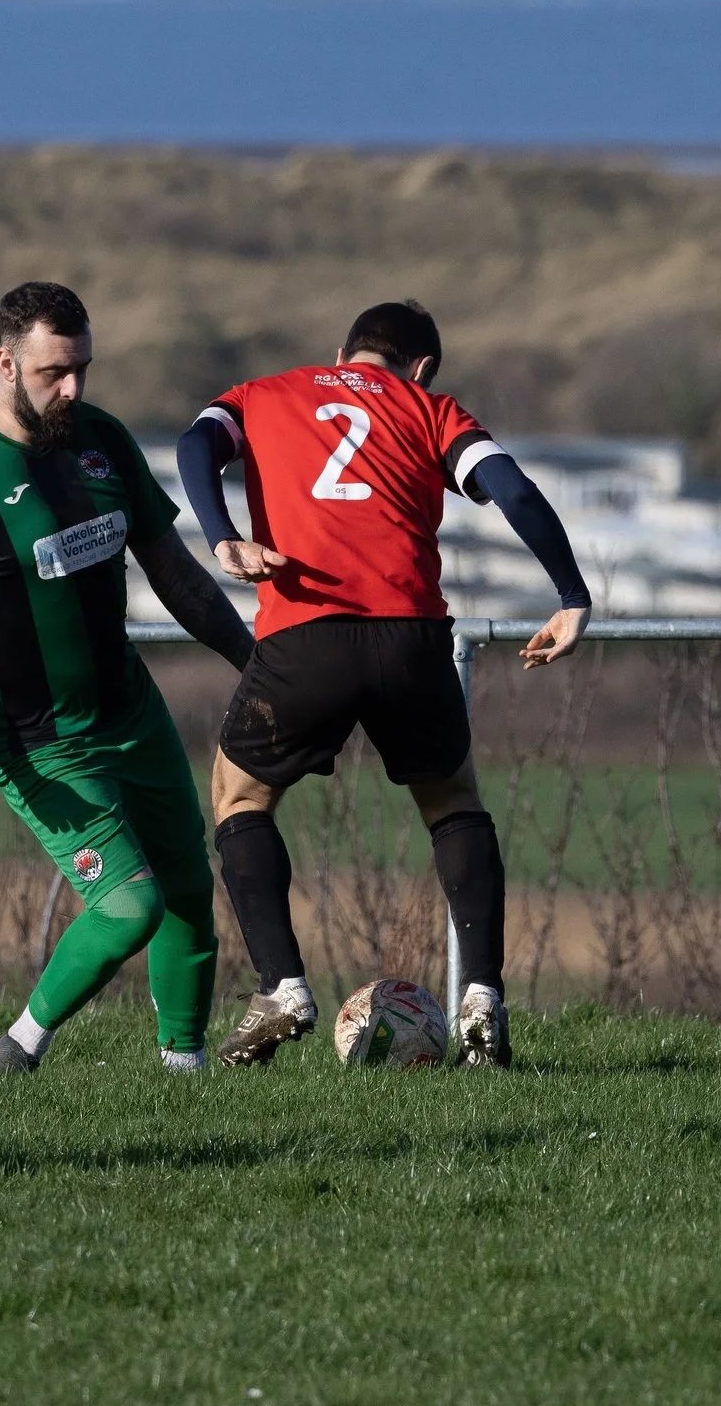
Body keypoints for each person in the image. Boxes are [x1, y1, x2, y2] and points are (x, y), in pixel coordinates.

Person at [175, 299, 591, 1068]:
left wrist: (223, 537)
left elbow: (195, 443)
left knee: (239, 797)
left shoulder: (265, 394)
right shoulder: (431, 409)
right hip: (413, 641)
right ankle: (482, 1000)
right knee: (454, 805)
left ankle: (283, 988)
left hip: (306, 635)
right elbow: (519, 494)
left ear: (343, 350)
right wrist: (571, 596)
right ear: (422, 365)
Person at [0, 281, 256, 1078]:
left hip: (130, 710)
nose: (73, 388)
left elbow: (177, 577)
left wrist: (257, 661)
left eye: (83, 367)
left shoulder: (103, 441)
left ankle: (183, 1077)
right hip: (38, 742)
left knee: (189, 888)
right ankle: (17, 1049)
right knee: (129, 906)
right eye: (55, 372)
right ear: (6, 363)